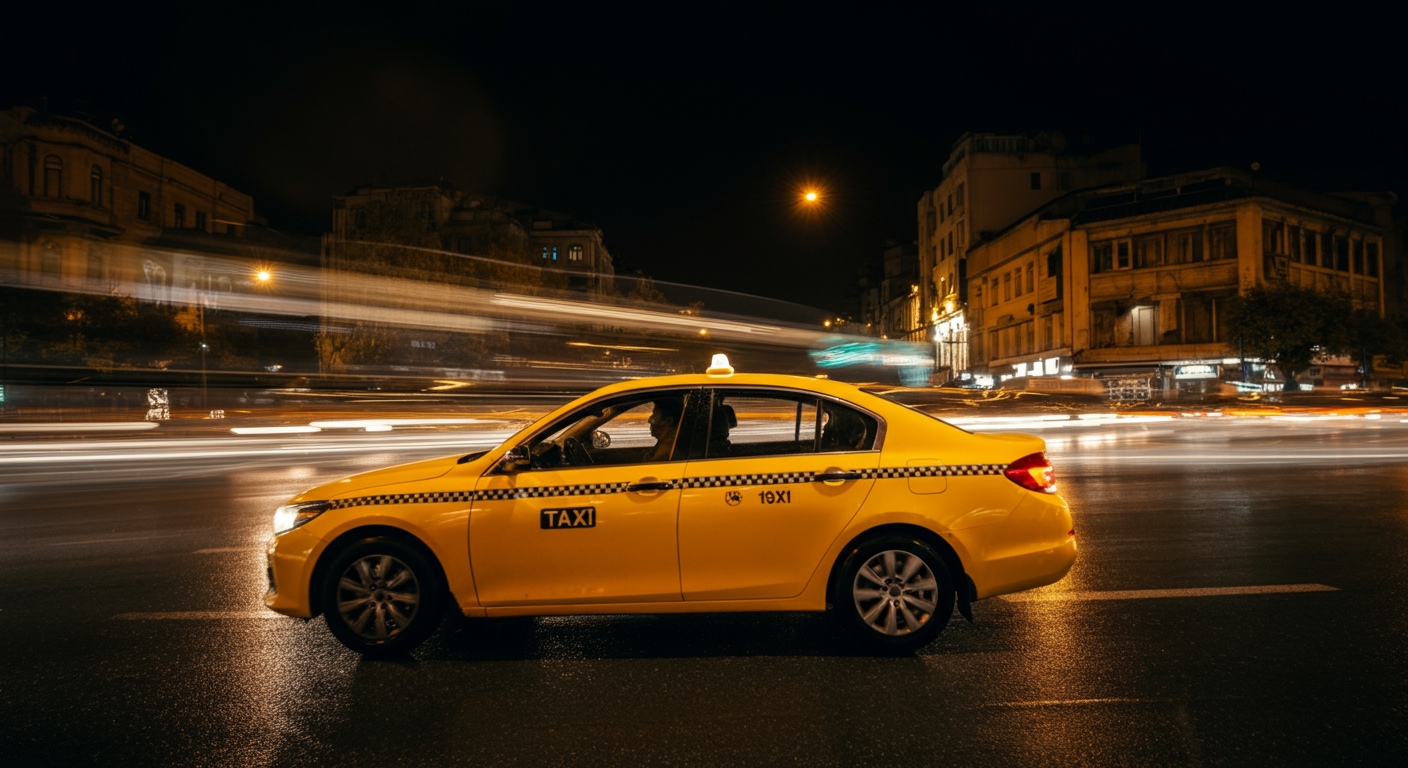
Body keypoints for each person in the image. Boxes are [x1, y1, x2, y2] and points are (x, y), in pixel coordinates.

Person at [646, 396, 685, 462]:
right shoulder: (668, 441)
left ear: (668, 421)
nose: (649, 420)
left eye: (655, 414)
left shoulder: (668, 449)